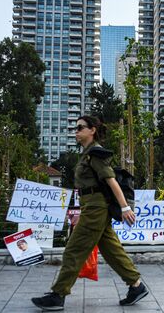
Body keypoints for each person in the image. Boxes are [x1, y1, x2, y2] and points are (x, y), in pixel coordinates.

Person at [32, 116, 148, 311]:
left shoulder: (95, 154)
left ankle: (58, 295)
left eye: (80, 127)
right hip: (92, 206)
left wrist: (125, 207)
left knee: (74, 250)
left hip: (96, 209)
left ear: (92, 130)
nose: (76, 131)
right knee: (111, 249)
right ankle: (136, 285)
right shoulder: (86, 154)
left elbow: (111, 181)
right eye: (75, 128)